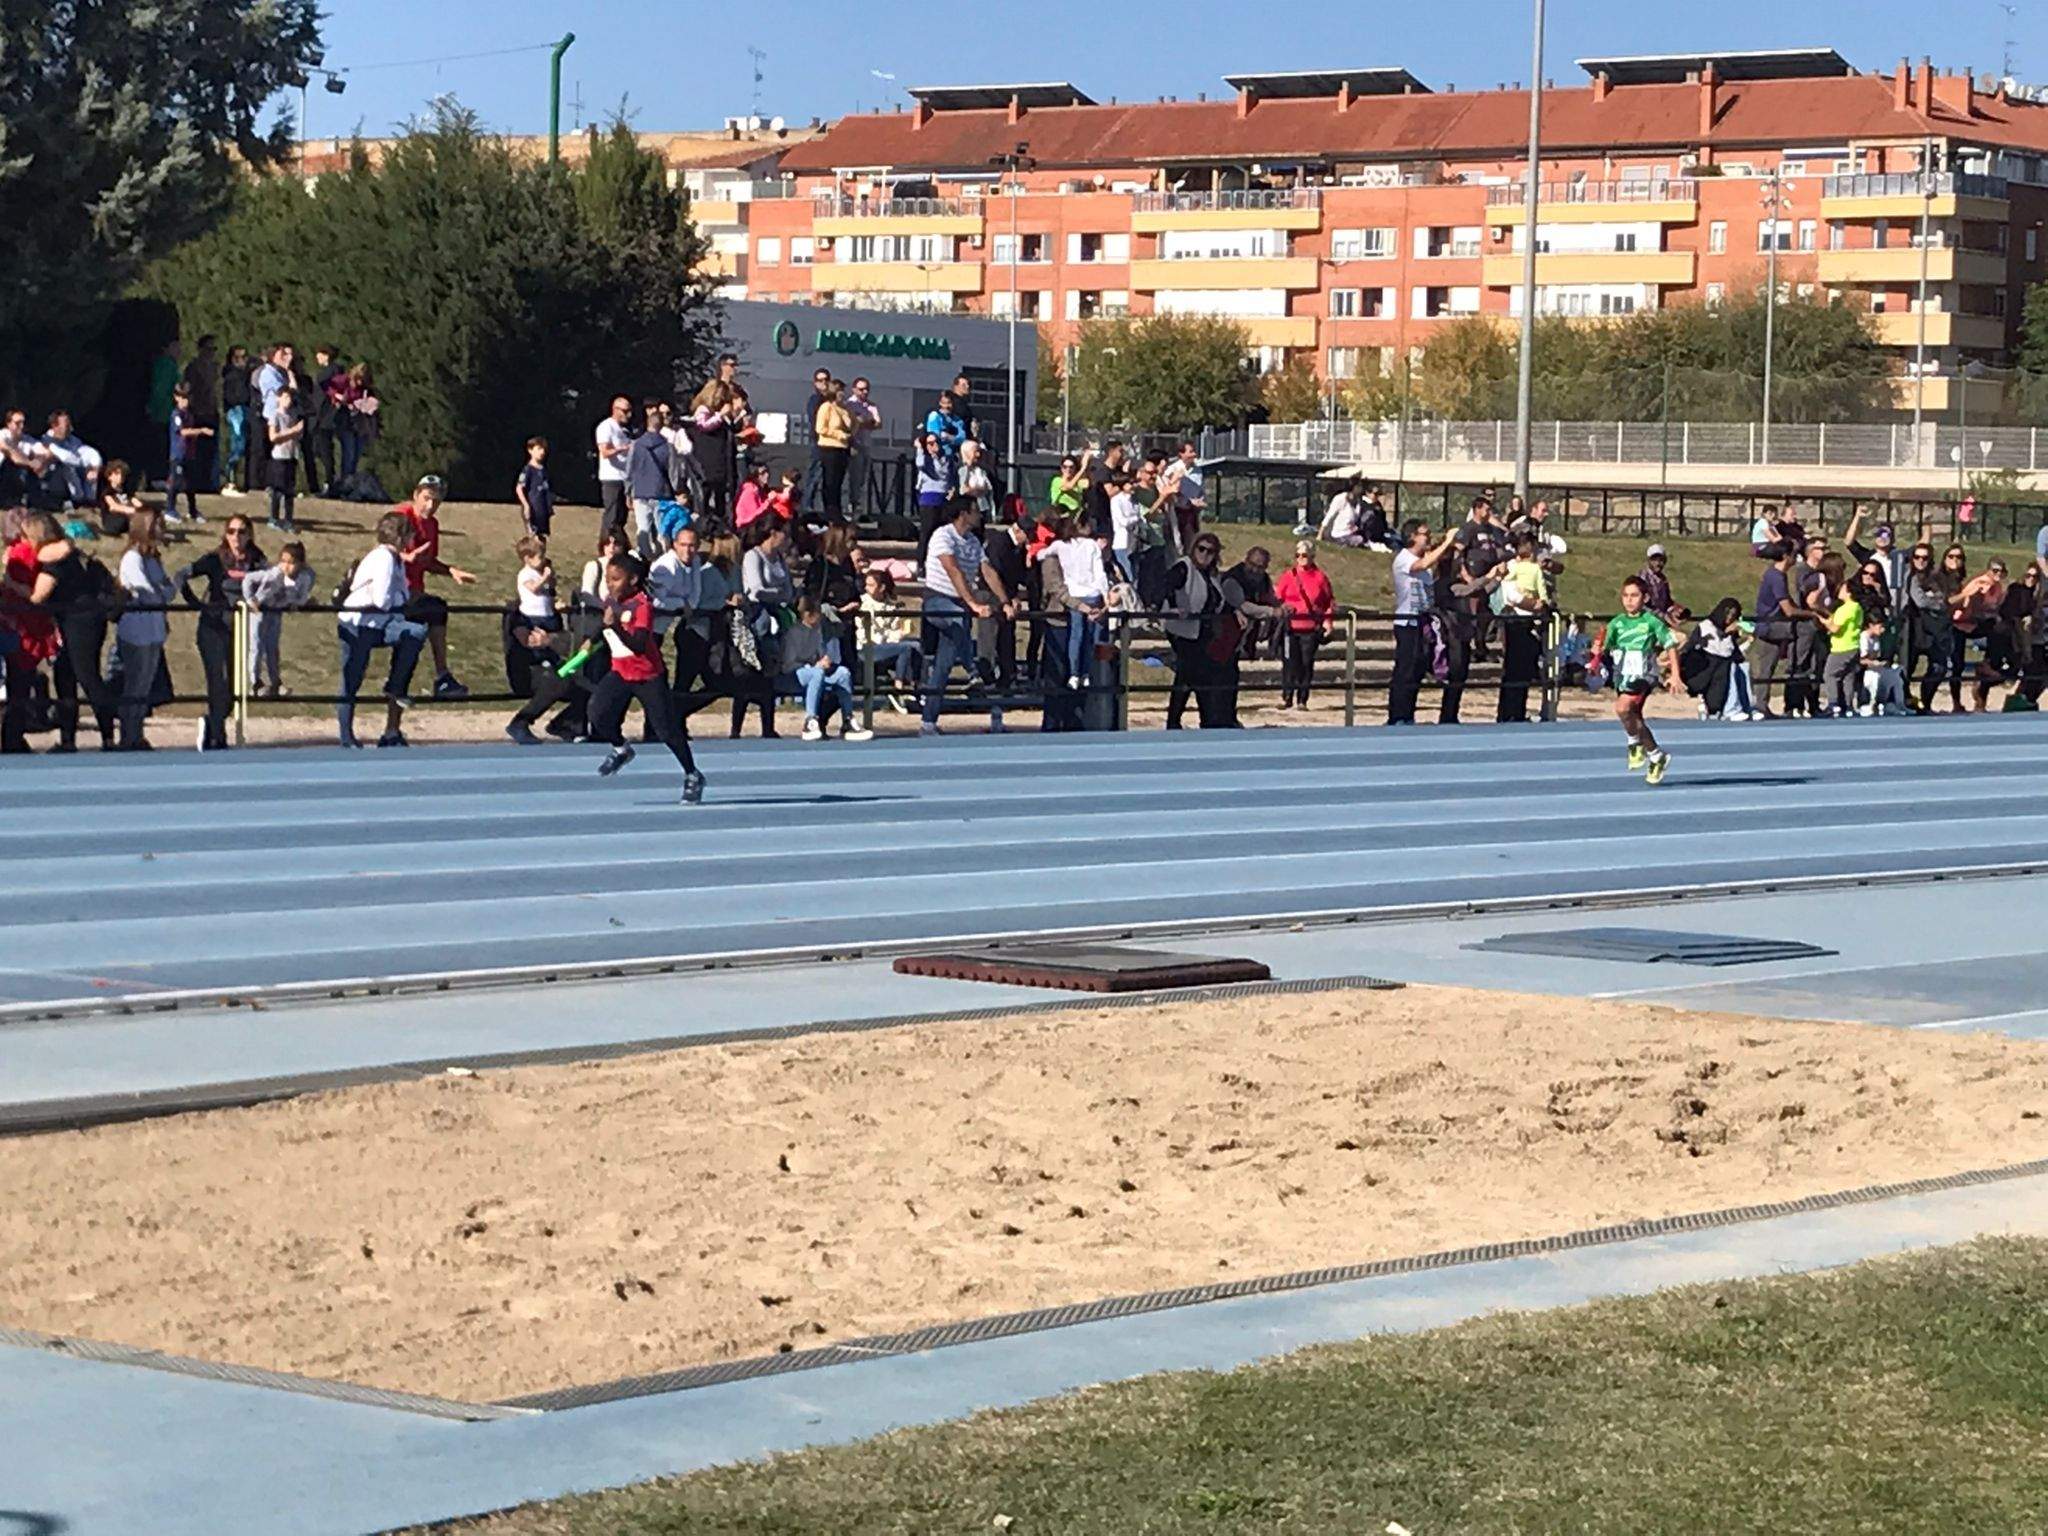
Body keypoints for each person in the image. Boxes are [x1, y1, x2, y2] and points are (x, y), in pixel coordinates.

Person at [589, 551, 706, 804]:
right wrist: (591, 640)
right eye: (608, 578)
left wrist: (615, 626)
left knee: (666, 730)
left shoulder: (642, 605)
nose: (610, 583)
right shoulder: (611, 600)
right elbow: (604, 628)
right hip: (620, 672)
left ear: (632, 580)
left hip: (647, 676)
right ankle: (621, 748)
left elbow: (639, 644)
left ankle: (692, 774)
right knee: (597, 713)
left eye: (616, 579)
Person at [12, 511, 115, 751]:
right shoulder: (66, 551)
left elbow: (38, 596)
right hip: (80, 621)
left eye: (26, 536)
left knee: (87, 677)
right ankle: (68, 738)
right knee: (64, 675)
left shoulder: (55, 560)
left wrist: (12, 585)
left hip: (81, 623)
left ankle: (108, 736)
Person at [920, 496, 1015, 736]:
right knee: (958, 617)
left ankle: (928, 721)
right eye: (975, 511)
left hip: (960, 602)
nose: (980, 515)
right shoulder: (943, 535)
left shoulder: (973, 541)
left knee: (943, 666)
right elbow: (953, 570)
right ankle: (974, 671)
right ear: (963, 514)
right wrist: (972, 603)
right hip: (937, 598)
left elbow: (988, 571)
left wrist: (1005, 602)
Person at [336, 511, 428, 748]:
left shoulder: (395, 559)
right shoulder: (384, 559)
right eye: (409, 535)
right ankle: (346, 736)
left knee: (415, 632)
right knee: (352, 677)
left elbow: (402, 594)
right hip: (359, 623)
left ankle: (395, 686)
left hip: (380, 623)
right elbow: (382, 599)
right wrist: (398, 602)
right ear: (400, 537)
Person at [175, 513, 265, 750]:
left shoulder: (256, 559)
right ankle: (216, 734)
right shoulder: (215, 559)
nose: (237, 536)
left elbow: (271, 582)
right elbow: (183, 574)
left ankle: (213, 722)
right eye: (232, 531)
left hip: (241, 627)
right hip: (213, 628)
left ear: (250, 535)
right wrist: (196, 604)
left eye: (242, 531)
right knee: (218, 680)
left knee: (236, 687)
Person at [397, 474, 479, 700]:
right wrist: (407, 557)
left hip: (415, 590)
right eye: (426, 498)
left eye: (436, 501)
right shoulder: (401, 517)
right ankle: (437, 676)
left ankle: (441, 676)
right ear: (416, 495)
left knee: (436, 610)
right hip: (396, 591)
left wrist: (451, 570)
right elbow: (385, 551)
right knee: (434, 611)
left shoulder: (432, 525)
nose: (430, 505)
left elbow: (428, 561)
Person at [1603, 576, 1680, 785]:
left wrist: (1675, 674)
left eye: (1634, 595)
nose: (1629, 600)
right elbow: (1605, 646)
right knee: (1634, 719)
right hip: (1623, 675)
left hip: (1644, 674)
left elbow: (1670, 645)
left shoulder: (1651, 621)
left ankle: (1633, 742)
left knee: (1622, 708)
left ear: (1644, 598)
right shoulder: (1617, 623)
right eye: (1626, 596)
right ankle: (1656, 755)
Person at [114, 510, 177, 750]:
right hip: (136, 630)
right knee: (135, 683)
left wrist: (161, 591)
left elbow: (167, 591)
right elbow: (146, 590)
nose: (161, 530)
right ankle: (127, 735)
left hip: (154, 629)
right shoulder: (132, 558)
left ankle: (137, 732)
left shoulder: (153, 559)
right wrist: (160, 591)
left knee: (146, 685)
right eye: (158, 525)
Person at [1387, 519, 1459, 726]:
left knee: (1418, 669)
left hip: (1423, 621)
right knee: (1405, 669)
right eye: (1423, 534)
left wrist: (1448, 544)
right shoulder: (1404, 558)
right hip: (1406, 622)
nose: (1427, 538)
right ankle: (1397, 714)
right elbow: (1424, 563)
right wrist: (1447, 541)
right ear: (1412, 537)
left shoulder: (1424, 562)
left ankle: (1409, 713)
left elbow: (1432, 560)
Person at [778, 595, 871, 742]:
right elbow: (787, 665)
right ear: (808, 615)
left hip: (817, 672)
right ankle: (810, 721)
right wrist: (813, 666)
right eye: (818, 613)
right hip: (795, 675)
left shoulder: (818, 631)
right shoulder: (793, 633)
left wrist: (825, 660)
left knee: (843, 673)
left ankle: (847, 720)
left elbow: (821, 655)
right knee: (817, 673)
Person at [241, 541, 313, 698]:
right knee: (256, 647)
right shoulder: (273, 574)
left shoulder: (304, 578)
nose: (286, 566)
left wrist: (296, 604)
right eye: (283, 562)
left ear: (300, 564)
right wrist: (250, 599)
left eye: (291, 563)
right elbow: (248, 579)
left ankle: (275, 682)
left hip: (276, 613)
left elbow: (302, 596)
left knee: (272, 648)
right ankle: (255, 683)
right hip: (260, 612)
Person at [1049, 513, 1110, 690]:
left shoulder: (1061, 545)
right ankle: (1085, 674)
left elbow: (1045, 554)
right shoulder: (1092, 545)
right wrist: (1104, 594)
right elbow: (1100, 573)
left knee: (1077, 635)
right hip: (1092, 594)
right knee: (1090, 637)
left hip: (1075, 595)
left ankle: (1074, 674)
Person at [1272, 540, 1334, 710]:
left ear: (1312, 556)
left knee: (1306, 663)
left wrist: (1328, 621)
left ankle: (1302, 699)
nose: (1300, 558)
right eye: (1297, 555)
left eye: (1304, 555)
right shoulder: (1288, 576)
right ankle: (1287, 696)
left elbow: (1328, 601)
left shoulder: (1320, 578)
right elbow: (1277, 598)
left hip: (1310, 627)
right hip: (1290, 627)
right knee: (1288, 661)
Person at [1494, 533, 1549, 724]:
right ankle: (1507, 713)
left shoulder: (1531, 569)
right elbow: (1511, 595)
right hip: (1516, 620)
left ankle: (1518, 711)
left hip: (1530, 622)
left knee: (1525, 670)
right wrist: (1535, 604)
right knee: (1513, 669)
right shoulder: (1513, 567)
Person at [1684, 598, 1762, 722]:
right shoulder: (1706, 626)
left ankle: (1747, 706)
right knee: (1729, 668)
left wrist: (1741, 636)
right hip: (1706, 667)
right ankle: (1731, 708)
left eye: (1734, 615)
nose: (1730, 618)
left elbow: (1736, 651)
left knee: (1743, 667)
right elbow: (1717, 649)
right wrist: (1725, 634)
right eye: (1728, 614)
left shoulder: (1732, 630)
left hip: (1722, 663)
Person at [688, 354, 745, 523]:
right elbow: (703, 426)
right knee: (706, 494)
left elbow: (732, 427)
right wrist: (721, 415)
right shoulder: (703, 410)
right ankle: (704, 522)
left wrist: (737, 413)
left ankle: (722, 520)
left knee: (722, 494)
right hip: (707, 461)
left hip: (722, 461)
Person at [1950, 553, 2006, 713]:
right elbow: (1971, 607)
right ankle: (1956, 702)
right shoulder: (1982, 584)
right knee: (1957, 665)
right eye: (1994, 571)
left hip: (1976, 624)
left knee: (1998, 631)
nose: (1998, 575)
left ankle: (1987, 664)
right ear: (1988, 571)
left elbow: (1994, 608)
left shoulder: (1998, 587)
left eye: (2000, 571)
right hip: (1961, 623)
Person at [856, 568, 922, 694]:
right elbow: (868, 633)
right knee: (906, 648)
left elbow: (894, 629)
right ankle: (899, 686)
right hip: (867, 647)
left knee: (917, 645)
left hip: (886, 645)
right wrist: (893, 637)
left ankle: (916, 684)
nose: (866, 588)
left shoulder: (890, 606)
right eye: (866, 585)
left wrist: (900, 633)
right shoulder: (863, 604)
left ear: (882, 587)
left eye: (870, 585)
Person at [624, 399, 673, 559]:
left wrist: (628, 491)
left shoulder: (636, 445)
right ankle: (663, 558)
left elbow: (630, 470)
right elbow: (672, 471)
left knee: (642, 527)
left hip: (641, 491)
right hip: (661, 492)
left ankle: (645, 557)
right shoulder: (667, 446)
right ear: (661, 426)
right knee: (662, 530)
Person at [1819, 570, 1865, 717]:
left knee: (1830, 675)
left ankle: (1833, 704)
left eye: (1843, 589)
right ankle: (1848, 704)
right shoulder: (1858, 608)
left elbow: (1835, 628)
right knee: (1848, 676)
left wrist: (1825, 622)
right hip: (1854, 646)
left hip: (1841, 647)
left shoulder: (1845, 609)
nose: (1840, 591)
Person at [181, 335, 222, 496]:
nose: (211, 352)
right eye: (208, 349)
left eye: (214, 349)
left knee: (211, 451)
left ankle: (210, 483)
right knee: (198, 451)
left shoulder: (215, 367)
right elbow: (191, 390)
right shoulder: (193, 367)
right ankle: (197, 483)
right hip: (198, 413)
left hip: (211, 412)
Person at [165, 382, 211, 524]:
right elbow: (183, 432)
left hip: (189, 454)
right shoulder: (176, 415)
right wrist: (201, 431)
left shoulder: (189, 414)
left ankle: (193, 510)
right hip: (178, 455)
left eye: (187, 398)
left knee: (190, 484)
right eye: (182, 398)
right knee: (175, 482)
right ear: (176, 398)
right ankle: (170, 509)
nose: (185, 401)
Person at [36, 411, 102, 507]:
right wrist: (81, 460)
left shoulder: (72, 440)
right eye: (66, 426)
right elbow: (66, 458)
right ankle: (76, 500)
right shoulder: (46, 441)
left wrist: (94, 468)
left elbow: (89, 453)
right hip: (51, 479)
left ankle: (89, 500)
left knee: (91, 468)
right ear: (55, 426)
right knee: (67, 466)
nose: (70, 428)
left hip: (74, 477)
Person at [264, 385, 304, 533]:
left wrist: (298, 432)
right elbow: (273, 437)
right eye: (286, 397)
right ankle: (273, 518)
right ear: (278, 398)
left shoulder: (292, 416)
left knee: (289, 491)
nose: (288, 401)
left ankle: (288, 520)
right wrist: (292, 431)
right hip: (279, 457)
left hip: (291, 456)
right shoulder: (275, 416)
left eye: (290, 398)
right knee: (277, 489)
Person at [813, 378, 854, 522]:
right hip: (829, 448)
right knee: (829, 481)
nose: (842, 393)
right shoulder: (826, 407)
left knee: (838, 482)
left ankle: (837, 511)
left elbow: (851, 425)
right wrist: (838, 434)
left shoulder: (844, 409)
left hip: (843, 449)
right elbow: (820, 428)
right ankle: (829, 511)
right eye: (839, 390)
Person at [595, 395, 634, 540]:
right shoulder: (606, 427)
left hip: (623, 477)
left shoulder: (624, 430)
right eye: (625, 411)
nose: (628, 415)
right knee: (611, 515)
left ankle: (618, 546)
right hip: (611, 477)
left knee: (622, 516)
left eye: (630, 411)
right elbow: (604, 452)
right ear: (615, 409)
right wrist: (622, 448)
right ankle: (605, 543)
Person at [845, 376, 882, 519]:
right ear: (854, 389)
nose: (864, 392)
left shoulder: (871, 406)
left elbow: (878, 423)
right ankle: (852, 504)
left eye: (866, 389)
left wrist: (863, 422)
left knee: (862, 477)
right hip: (855, 444)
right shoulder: (849, 405)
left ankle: (858, 503)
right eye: (861, 389)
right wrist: (865, 422)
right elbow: (852, 423)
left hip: (866, 444)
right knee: (855, 475)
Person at [219, 344, 251, 496]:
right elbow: (231, 396)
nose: (243, 360)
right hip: (236, 410)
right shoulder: (232, 376)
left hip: (243, 409)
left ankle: (237, 479)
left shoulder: (244, 374)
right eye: (239, 357)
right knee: (237, 445)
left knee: (243, 445)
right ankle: (229, 480)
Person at [1636, 544, 1688, 624]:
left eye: (1661, 560)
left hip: (1660, 622)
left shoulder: (1663, 580)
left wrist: (1676, 609)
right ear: (1649, 560)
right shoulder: (1642, 577)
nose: (1658, 563)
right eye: (1654, 560)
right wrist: (1662, 617)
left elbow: (1666, 602)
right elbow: (1641, 604)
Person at [516, 437, 554, 541]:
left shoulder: (543, 470)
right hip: (533, 509)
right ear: (530, 450)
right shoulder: (528, 470)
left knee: (543, 539)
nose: (542, 452)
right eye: (539, 449)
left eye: (544, 449)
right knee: (534, 541)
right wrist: (526, 505)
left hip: (543, 510)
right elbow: (519, 488)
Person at [1317, 477, 1368, 547]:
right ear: (1353, 487)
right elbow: (1329, 516)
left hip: (1352, 532)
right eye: (1359, 486)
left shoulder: (1359, 502)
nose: (1362, 488)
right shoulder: (1340, 499)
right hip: (1339, 534)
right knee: (1360, 540)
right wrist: (1320, 534)